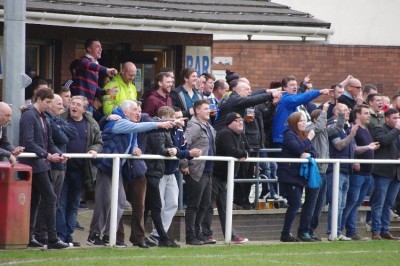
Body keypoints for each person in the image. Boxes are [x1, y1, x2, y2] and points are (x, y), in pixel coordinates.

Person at [88, 100, 175, 247]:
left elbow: (132, 138)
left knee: (120, 201)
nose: (138, 113)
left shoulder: (128, 125)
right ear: (125, 111)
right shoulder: (118, 122)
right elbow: (137, 127)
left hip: (117, 170)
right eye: (135, 110)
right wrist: (160, 124)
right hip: (106, 167)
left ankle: (109, 235)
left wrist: (135, 148)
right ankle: (94, 234)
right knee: (104, 201)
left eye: (140, 110)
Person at [19, 88, 70, 249]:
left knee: (36, 200)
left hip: (41, 164)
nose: (49, 106)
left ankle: (30, 236)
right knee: (50, 197)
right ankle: (52, 238)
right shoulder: (29, 115)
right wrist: (47, 155)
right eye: (47, 102)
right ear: (39, 99)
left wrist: (59, 154)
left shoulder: (43, 118)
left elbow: (49, 142)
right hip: (35, 164)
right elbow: (28, 142)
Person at [147, 106, 201, 245]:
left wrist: (186, 154)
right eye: (175, 118)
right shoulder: (159, 129)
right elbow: (166, 150)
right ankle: (157, 234)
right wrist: (187, 154)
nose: (178, 121)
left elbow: (180, 149)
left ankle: (158, 235)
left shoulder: (178, 130)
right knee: (160, 205)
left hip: (171, 171)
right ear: (164, 118)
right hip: (159, 172)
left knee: (173, 204)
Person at [56, 96, 103, 246]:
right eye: (72, 103)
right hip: (62, 169)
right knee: (61, 203)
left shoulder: (91, 123)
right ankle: (60, 236)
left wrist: (93, 150)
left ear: (84, 109)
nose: (74, 107)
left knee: (73, 204)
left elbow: (98, 142)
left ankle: (68, 236)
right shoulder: (60, 119)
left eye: (78, 105)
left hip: (80, 170)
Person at [34, 95, 77, 244]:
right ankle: (41, 234)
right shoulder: (46, 118)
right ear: (49, 104)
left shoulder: (58, 119)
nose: (62, 106)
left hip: (61, 165)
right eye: (59, 103)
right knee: (47, 201)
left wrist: (60, 128)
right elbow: (62, 138)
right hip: (50, 165)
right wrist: (60, 130)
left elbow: (73, 133)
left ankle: (47, 234)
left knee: (55, 201)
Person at [203, 112, 249, 244]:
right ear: (230, 123)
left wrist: (243, 153)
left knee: (225, 207)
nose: (241, 122)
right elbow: (232, 151)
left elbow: (247, 150)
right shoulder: (225, 134)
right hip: (216, 175)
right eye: (237, 120)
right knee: (209, 205)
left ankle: (231, 235)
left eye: (241, 120)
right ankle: (206, 234)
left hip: (226, 177)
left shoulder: (240, 134)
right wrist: (242, 153)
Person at [341, 104, 380, 240]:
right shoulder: (354, 128)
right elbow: (353, 148)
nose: (369, 115)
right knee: (352, 201)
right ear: (357, 115)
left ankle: (351, 230)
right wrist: (357, 158)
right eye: (366, 113)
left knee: (357, 203)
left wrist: (370, 147)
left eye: (369, 113)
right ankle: (344, 230)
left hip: (367, 173)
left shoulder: (366, 129)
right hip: (358, 173)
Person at [307, 102, 345, 241]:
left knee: (319, 206)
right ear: (317, 119)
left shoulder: (323, 131)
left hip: (323, 171)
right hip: (314, 171)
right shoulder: (311, 128)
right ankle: (307, 230)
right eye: (323, 119)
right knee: (312, 203)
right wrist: (324, 110)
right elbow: (317, 128)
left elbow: (338, 126)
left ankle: (312, 230)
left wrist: (341, 113)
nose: (326, 122)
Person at [278, 112, 317, 242]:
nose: (304, 123)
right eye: (300, 121)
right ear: (294, 122)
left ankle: (287, 233)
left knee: (296, 203)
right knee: (295, 203)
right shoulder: (289, 134)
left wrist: (306, 153)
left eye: (305, 121)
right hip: (289, 174)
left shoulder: (302, 135)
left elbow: (313, 152)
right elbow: (297, 148)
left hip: (299, 175)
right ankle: (285, 233)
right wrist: (308, 140)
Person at [184, 99, 216, 245]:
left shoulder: (209, 126)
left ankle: (199, 234)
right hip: (197, 170)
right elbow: (184, 144)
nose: (208, 111)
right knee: (194, 205)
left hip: (208, 170)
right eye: (205, 109)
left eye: (208, 108)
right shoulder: (193, 126)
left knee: (205, 204)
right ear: (197, 110)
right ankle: (190, 236)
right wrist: (184, 163)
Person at [272, 75, 330, 148]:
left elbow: (299, 95)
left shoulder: (288, 98)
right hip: (281, 138)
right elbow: (301, 97)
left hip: (287, 136)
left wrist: (303, 85)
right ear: (284, 88)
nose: (295, 87)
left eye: (295, 85)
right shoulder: (286, 99)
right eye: (291, 85)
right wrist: (319, 92)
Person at [370, 108, 400, 240]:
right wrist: (397, 129)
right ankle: (376, 231)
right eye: (394, 118)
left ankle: (385, 229)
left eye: (398, 118)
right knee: (379, 203)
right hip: (382, 172)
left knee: (389, 204)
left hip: (396, 173)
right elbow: (384, 141)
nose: (397, 120)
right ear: (387, 118)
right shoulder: (379, 128)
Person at [70, 38, 118, 109]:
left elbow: (94, 88)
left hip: (89, 104)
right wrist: (106, 70)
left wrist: (105, 92)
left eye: (101, 47)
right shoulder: (83, 60)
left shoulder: (95, 66)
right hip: (79, 104)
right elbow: (87, 64)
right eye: (97, 46)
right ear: (89, 49)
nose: (100, 49)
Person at [0, 102, 24, 166]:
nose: (9, 119)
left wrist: (13, 150)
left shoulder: (2, 125)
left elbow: (5, 143)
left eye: (10, 116)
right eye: (7, 115)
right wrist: (8, 154)